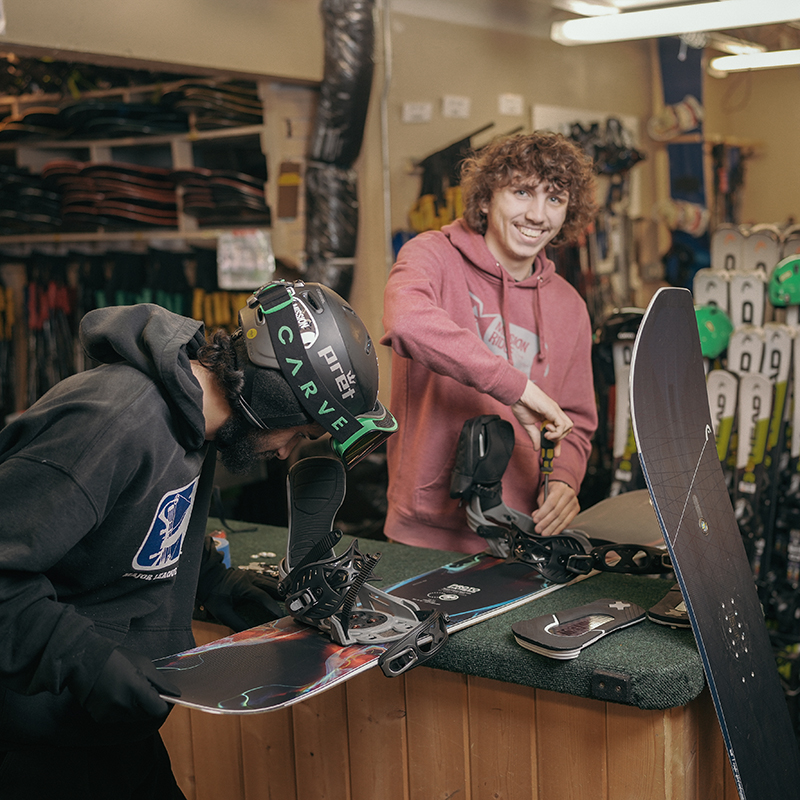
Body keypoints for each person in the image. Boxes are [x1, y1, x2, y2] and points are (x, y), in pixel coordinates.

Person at [0, 279, 396, 799]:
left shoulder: (193, 427)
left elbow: (141, 524)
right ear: (274, 398)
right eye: (298, 433)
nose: (283, 454)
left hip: (100, 731)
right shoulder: (114, 420)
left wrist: (217, 583)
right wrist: (88, 662)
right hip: (30, 738)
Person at [382, 131, 598, 553]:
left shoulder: (570, 306)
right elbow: (406, 322)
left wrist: (563, 480)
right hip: (423, 532)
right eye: (522, 192)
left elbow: (574, 419)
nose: (538, 214)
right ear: (485, 199)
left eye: (554, 199)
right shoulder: (431, 255)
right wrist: (513, 385)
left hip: (520, 535)